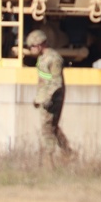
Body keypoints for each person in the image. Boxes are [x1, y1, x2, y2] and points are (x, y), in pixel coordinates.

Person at [28, 29, 71, 158]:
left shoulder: (53, 58)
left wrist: (48, 98)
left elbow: (56, 82)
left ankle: (49, 157)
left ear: (41, 44)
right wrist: (38, 98)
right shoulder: (42, 59)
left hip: (53, 99)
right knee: (52, 127)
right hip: (44, 98)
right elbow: (43, 81)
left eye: (33, 46)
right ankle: (67, 153)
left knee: (47, 128)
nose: (31, 49)